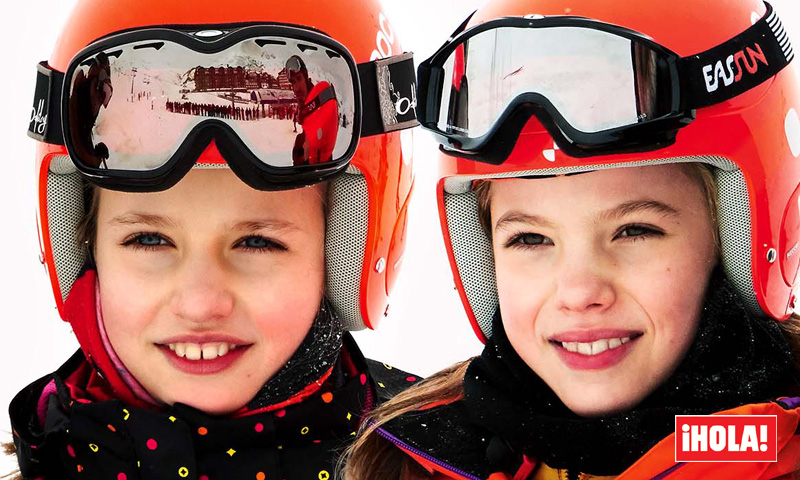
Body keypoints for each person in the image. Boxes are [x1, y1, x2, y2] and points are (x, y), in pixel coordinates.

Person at [343, 0, 800, 478]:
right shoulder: (411, 464)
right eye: (530, 240)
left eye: (634, 231)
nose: (580, 293)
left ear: (737, 240)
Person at [11, 0, 419, 478]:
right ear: (83, 246)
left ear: (343, 254)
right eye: (148, 239)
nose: (200, 305)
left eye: (257, 243)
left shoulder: (441, 461)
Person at [286, 55, 339, 165]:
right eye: (293, 82)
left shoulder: (320, 102)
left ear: (306, 78)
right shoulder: (304, 107)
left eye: (299, 79)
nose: (296, 88)